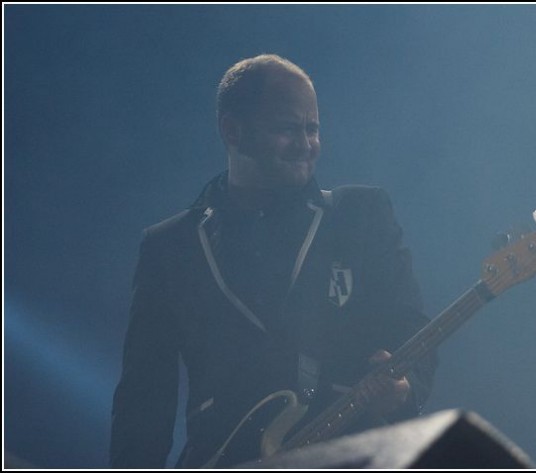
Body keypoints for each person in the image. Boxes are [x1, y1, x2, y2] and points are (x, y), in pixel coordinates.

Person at [110, 54, 437, 469]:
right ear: (232, 131)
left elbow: (409, 324)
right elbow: (143, 398)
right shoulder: (170, 246)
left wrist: (407, 388)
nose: (305, 144)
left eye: (312, 128)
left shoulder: (361, 216)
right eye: (286, 129)